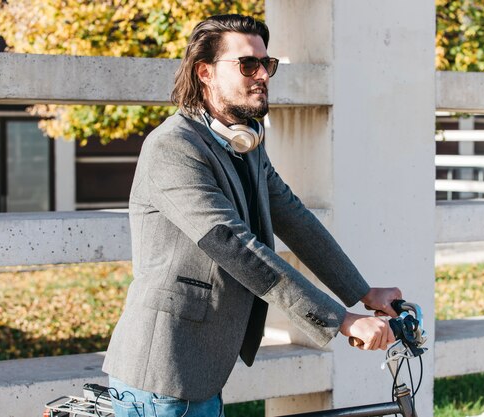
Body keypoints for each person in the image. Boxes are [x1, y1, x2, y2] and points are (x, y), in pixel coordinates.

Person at [102, 13, 402, 417]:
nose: (262, 74)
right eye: (248, 64)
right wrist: (342, 321)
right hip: (164, 373)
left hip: (201, 367)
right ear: (205, 72)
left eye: (267, 64)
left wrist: (363, 292)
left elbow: (295, 218)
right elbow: (236, 248)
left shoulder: (245, 143)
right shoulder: (173, 148)